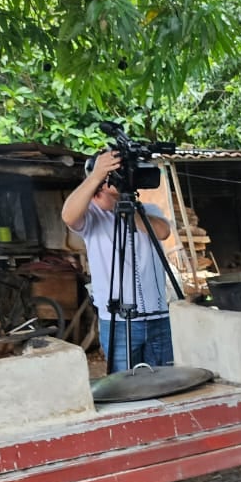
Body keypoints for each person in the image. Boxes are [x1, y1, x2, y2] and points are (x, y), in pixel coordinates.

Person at [61, 150, 173, 371]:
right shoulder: (92, 215)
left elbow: (162, 232)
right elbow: (68, 215)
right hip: (119, 322)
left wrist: (117, 208)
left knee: (165, 383)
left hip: (158, 316)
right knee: (124, 387)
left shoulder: (147, 210)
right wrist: (95, 176)